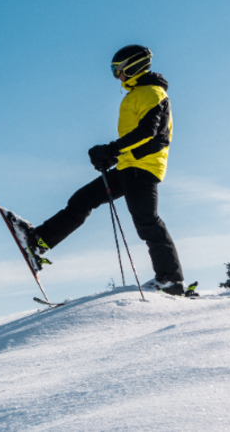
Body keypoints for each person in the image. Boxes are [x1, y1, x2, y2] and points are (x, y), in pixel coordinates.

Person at [25, 45, 187, 295]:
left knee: (147, 222)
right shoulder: (137, 93)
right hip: (128, 166)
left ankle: (171, 280)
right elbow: (141, 137)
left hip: (142, 170)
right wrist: (114, 156)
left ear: (133, 66)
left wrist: (112, 149)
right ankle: (39, 241)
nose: (116, 75)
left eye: (117, 70)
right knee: (83, 199)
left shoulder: (151, 93)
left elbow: (150, 133)